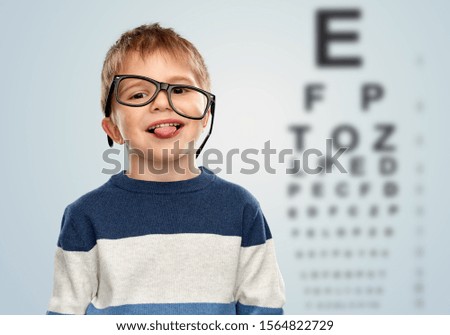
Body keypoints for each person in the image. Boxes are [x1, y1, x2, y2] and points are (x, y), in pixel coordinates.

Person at [47, 23, 285, 315]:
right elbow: (63, 317)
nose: (161, 102)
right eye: (137, 94)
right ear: (113, 129)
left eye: (180, 89)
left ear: (205, 114)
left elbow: (265, 313)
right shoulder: (85, 216)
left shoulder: (240, 208)